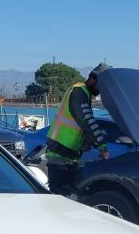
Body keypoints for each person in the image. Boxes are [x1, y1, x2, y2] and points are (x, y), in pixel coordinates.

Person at [45, 63, 110, 195]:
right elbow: (88, 122)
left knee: (65, 200)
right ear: (93, 79)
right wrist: (102, 147)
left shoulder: (83, 93)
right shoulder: (79, 92)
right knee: (62, 201)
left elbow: (81, 125)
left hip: (67, 155)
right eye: (101, 86)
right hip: (60, 155)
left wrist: (87, 143)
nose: (101, 91)